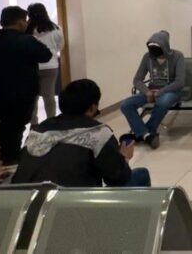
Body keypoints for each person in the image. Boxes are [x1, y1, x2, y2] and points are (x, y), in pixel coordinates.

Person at [13, 79, 151, 187]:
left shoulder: (37, 130)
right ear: (92, 108)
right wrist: (124, 157)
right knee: (141, 175)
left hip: (25, 203)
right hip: (75, 207)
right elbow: (118, 180)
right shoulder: (98, 132)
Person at [0, 6, 53, 166]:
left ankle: (7, 156)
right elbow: (46, 55)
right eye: (25, 21)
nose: (26, 24)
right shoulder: (26, 41)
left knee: (6, 123)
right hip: (23, 90)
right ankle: (11, 158)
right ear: (19, 22)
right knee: (17, 125)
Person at [121, 31, 185, 149]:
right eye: (151, 47)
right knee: (126, 105)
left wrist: (160, 92)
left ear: (164, 46)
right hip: (150, 91)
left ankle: (147, 131)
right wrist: (147, 92)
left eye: (156, 47)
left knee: (162, 103)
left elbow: (180, 82)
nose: (153, 50)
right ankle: (146, 135)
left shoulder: (178, 56)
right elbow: (137, 80)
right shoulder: (147, 57)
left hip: (171, 91)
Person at [26, 3, 65, 125]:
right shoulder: (56, 29)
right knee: (49, 96)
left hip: (31, 67)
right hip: (51, 66)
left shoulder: (27, 30)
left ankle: (34, 124)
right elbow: (60, 46)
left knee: (33, 98)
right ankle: (51, 122)